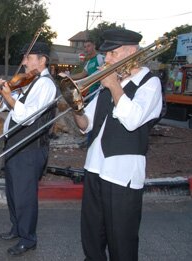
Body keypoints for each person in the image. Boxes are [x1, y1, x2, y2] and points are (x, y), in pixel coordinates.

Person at [70, 29, 163, 261]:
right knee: (91, 235)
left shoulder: (149, 84)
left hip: (123, 174)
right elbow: (86, 124)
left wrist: (114, 86)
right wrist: (76, 107)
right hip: (94, 168)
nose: (107, 60)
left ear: (132, 52)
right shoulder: (108, 84)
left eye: (112, 54)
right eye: (106, 55)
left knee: (122, 240)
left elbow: (133, 120)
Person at [0, 42, 57, 256]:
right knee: (13, 192)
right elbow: (14, 103)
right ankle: (17, 228)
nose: (24, 62)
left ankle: (28, 238)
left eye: (28, 57)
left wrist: (7, 96)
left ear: (42, 60)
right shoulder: (30, 81)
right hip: (16, 145)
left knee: (25, 195)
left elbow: (28, 116)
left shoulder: (46, 85)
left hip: (30, 147)